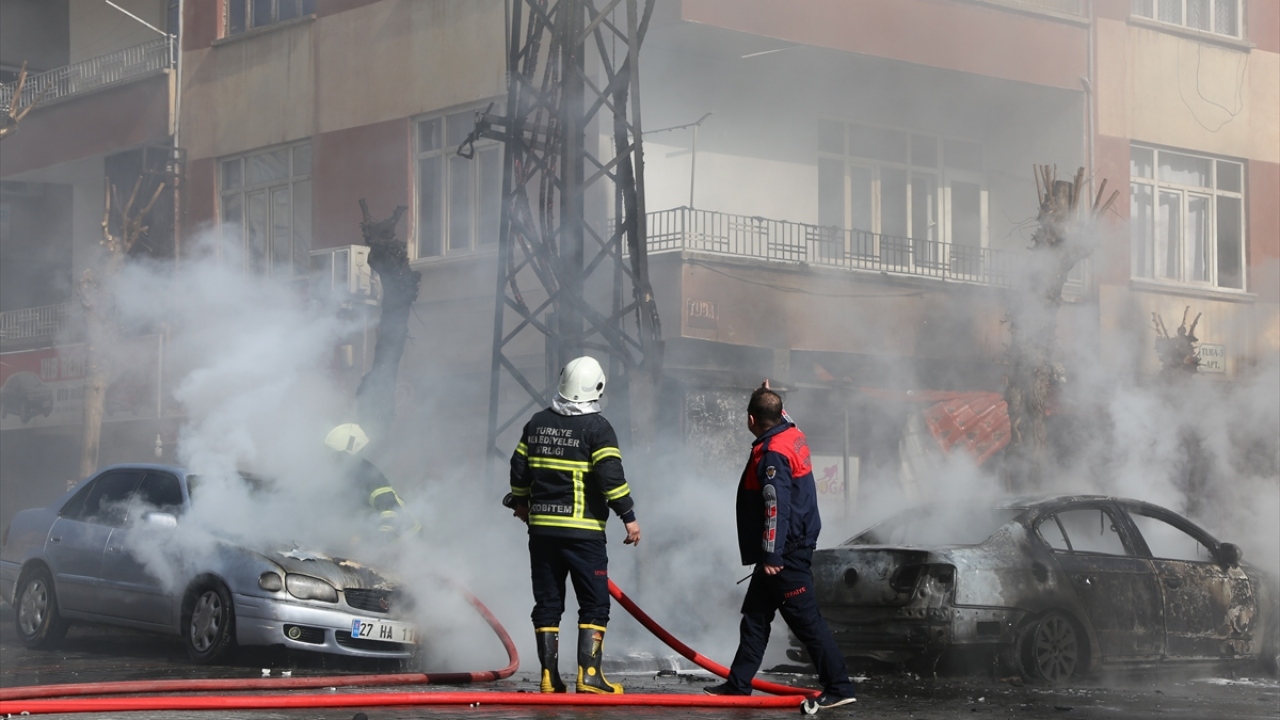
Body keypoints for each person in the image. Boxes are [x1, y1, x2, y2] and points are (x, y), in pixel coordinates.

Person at [704, 384, 857, 709]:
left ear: (750, 419)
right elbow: (783, 417)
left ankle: (840, 687)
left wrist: (772, 554)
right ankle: (738, 686)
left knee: (808, 623)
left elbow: (776, 506)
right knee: (755, 618)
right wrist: (768, 396)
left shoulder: (773, 453)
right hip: (785, 549)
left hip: (785, 554)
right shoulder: (792, 433)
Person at [508, 356, 641, 694]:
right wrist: (629, 517)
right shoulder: (598, 428)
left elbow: (519, 467)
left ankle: (549, 678)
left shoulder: (537, 422)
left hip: (541, 532)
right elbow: (611, 478)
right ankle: (590, 677)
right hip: (583, 534)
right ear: (596, 388)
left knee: (549, 603)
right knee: (595, 603)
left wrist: (521, 502)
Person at [324, 423, 421, 541]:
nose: (332, 459)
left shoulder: (368, 475)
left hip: (408, 536)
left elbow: (389, 507)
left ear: (349, 452)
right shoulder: (346, 476)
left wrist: (382, 539)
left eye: (336, 455)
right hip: (389, 538)